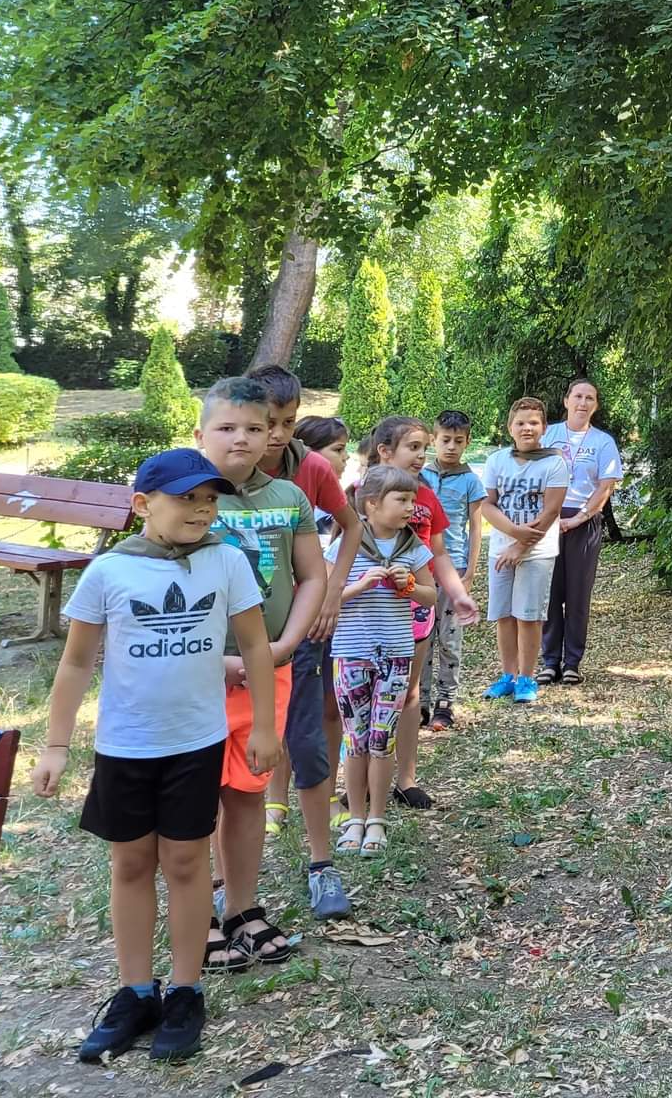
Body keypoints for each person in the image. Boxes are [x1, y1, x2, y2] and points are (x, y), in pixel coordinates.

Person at [31, 449, 277, 1064]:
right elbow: (77, 662)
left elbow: (254, 645)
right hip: (126, 745)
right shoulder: (109, 571)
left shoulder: (226, 561)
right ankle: (136, 992)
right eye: (186, 498)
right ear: (143, 504)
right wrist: (56, 745)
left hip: (196, 741)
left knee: (188, 862)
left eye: (210, 499)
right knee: (132, 863)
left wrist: (264, 725)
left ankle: (186, 990)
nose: (202, 509)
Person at [195, 377, 327, 965]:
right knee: (195, 798)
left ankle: (242, 908)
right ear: (200, 434)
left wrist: (286, 645)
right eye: (226, 428)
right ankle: (199, 911)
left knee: (247, 792)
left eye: (255, 427)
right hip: (196, 675)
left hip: (268, 668)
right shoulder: (187, 496)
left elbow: (312, 576)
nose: (242, 439)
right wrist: (215, 659)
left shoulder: (288, 498)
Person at [247, 368, 362, 847]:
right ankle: (268, 799)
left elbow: (351, 526)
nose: (277, 435)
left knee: (311, 716)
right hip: (243, 621)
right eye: (267, 422)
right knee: (260, 717)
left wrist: (332, 592)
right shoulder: (226, 464)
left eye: (288, 423)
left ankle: (323, 804)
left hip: (304, 617)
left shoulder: (311, 468)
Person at [355, 416, 482, 808]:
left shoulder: (425, 496)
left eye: (424, 448)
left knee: (409, 694)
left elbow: (438, 553)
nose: (421, 456)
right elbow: (338, 551)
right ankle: (361, 782)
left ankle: (405, 779)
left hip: (413, 610)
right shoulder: (358, 494)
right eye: (413, 447)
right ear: (384, 451)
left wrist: (457, 594)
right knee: (364, 696)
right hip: (365, 614)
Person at [328, 464, 437, 857]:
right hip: (351, 654)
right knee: (355, 739)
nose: (410, 507)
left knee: (381, 739)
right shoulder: (346, 544)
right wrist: (361, 585)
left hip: (396, 654)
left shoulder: (413, 546)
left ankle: (377, 818)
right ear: (372, 504)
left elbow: (431, 595)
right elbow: (326, 596)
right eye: (401, 499)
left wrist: (410, 586)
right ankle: (355, 818)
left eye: (412, 500)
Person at [480, 398, 570, 704]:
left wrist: (521, 545)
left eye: (533, 422)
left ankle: (527, 678)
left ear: (544, 428)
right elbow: (487, 504)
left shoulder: (554, 463)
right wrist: (513, 532)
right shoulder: (497, 461)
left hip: (537, 553)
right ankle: (508, 675)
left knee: (528, 616)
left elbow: (551, 511)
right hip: (500, 549)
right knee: (504, 614)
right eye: (520, 423)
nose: (527, 428)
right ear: (510, 428)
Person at [541, 379, 624, 685]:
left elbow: (605, 486)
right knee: (549, 593)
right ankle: (550, 660)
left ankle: (572, 662)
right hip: (548, 520)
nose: (583, 402)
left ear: (596, 405)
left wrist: (579, 518)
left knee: (577, 595)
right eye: (578, 396)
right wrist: (548, 518)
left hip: (585, 521)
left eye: (590, 398)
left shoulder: (603, 442)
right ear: (566, 401)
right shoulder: (548, 435)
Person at [420, 411, 487, 730]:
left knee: (449, 637)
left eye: (458, 441)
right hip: (420, 566)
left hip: (454, 565)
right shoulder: (420, 475)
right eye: (445, 440)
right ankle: (419, 700)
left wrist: (470, 572)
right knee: (421, 636)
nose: (451, 447)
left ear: (467, 442)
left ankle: (445, 701)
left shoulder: (471, 480)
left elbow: (476, 528)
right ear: (433, 440)